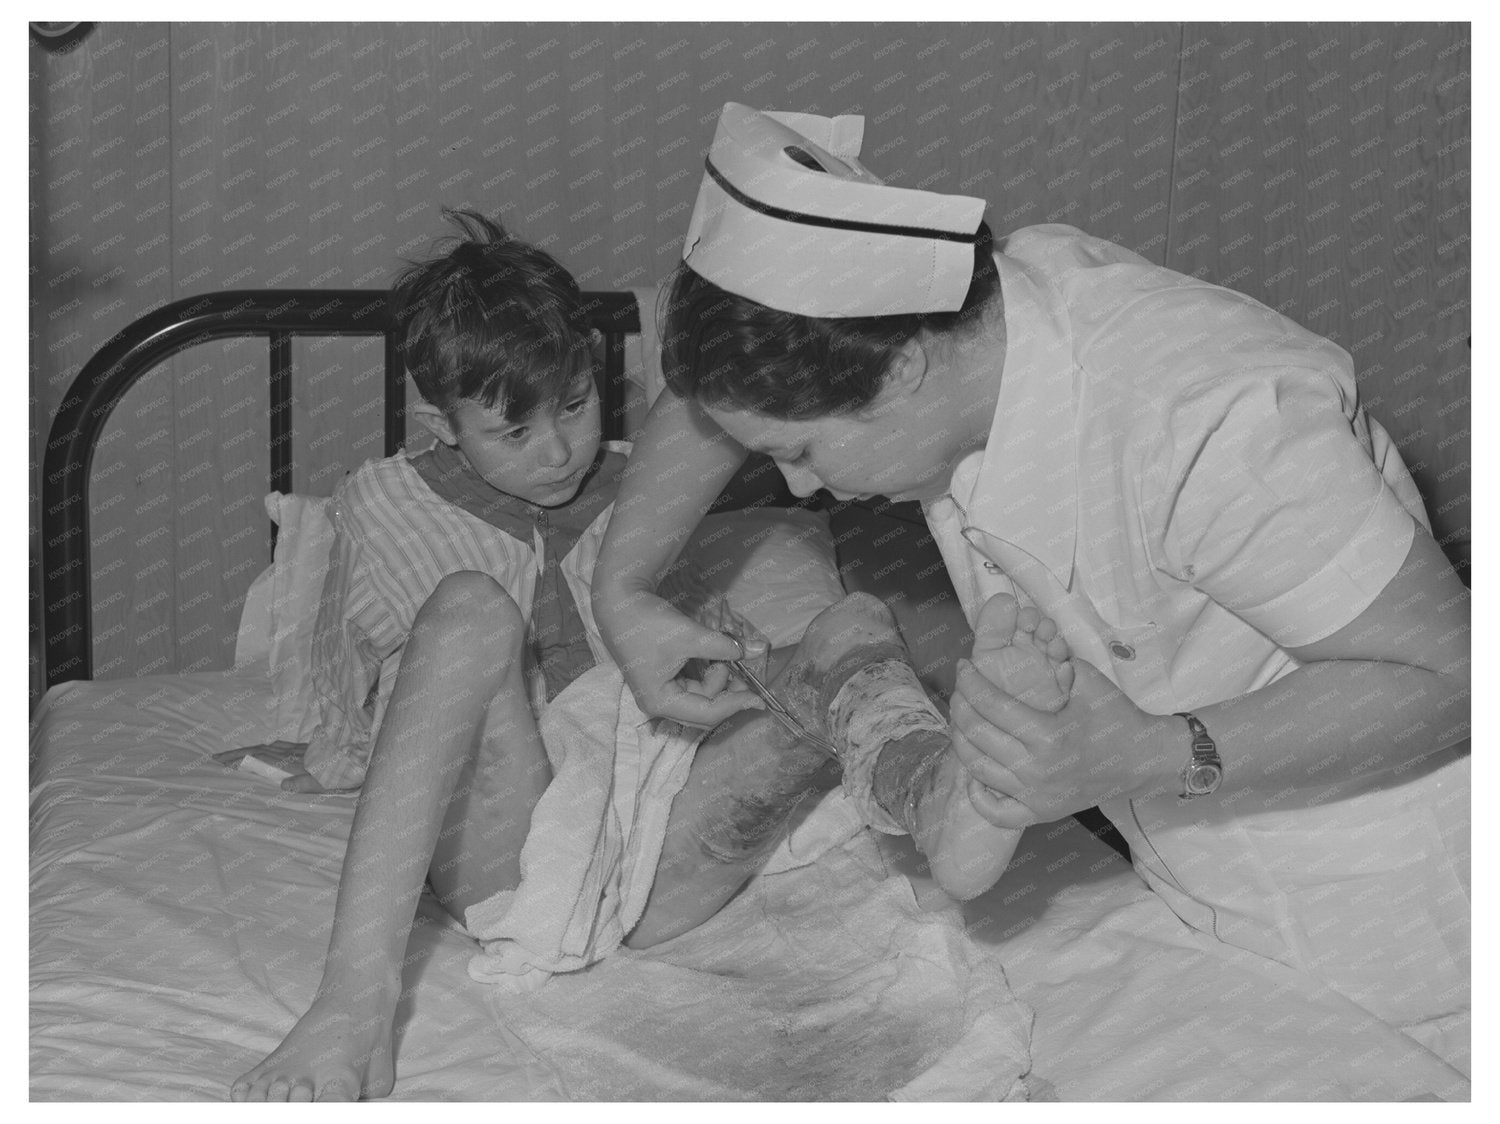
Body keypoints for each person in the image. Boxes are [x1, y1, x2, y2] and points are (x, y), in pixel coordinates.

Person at [591, 103, 1471, 1052]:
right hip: (1194, 880)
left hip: (1394, 917)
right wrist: (623, 588)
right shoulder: (963, 317)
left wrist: (1146, 755)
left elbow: (1451, 682)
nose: (802, 484)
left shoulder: (1207, 420)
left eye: (801, 450)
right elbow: (712, 396)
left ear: (902, 372)